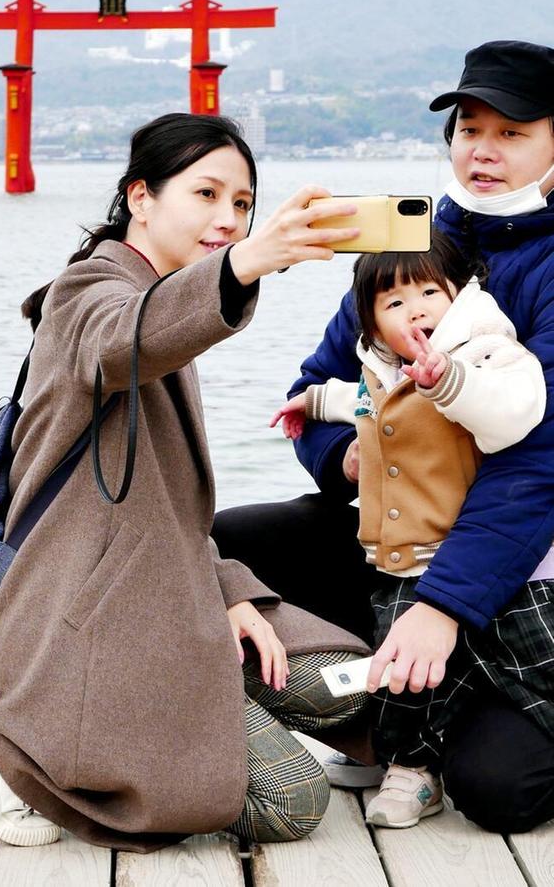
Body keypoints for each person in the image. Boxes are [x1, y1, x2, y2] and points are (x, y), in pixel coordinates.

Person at [0, 113, 375, 853]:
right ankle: (16, 745)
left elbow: (169, 510)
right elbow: (122, 338)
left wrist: (230, 594)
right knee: (291, 798)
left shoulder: (160, 295)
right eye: (207, 194)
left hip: (171, 589)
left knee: (356, 682)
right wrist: (248, 260)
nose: (227, 218)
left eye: (244, 204)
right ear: (142, 197)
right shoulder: (88, 291)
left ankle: (211, 695)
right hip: (88, 622)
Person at [213, 40, 554, 833]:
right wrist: (348, 459)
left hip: (520, 553)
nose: (483, 150)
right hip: (400, 526)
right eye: (470, 127)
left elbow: (537, 470)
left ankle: (445, 698)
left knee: (499, 790)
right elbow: (314, 386)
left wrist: (442, 605)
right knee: (233, 545)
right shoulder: (411, 241)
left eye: (512, 133)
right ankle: (376, 715)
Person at [270, 230, 546, 826]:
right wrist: (312, 406)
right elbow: (355, 400)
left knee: (538, 662)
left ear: (459, 295)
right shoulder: (384, 372)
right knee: (407, 675)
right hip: (406, 558)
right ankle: (411, 769)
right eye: (393, 303)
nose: (415, 308)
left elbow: (514, 412)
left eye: (429, 292)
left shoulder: (486, 353)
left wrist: (447, 379)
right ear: (368, 324)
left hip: (493, 564)